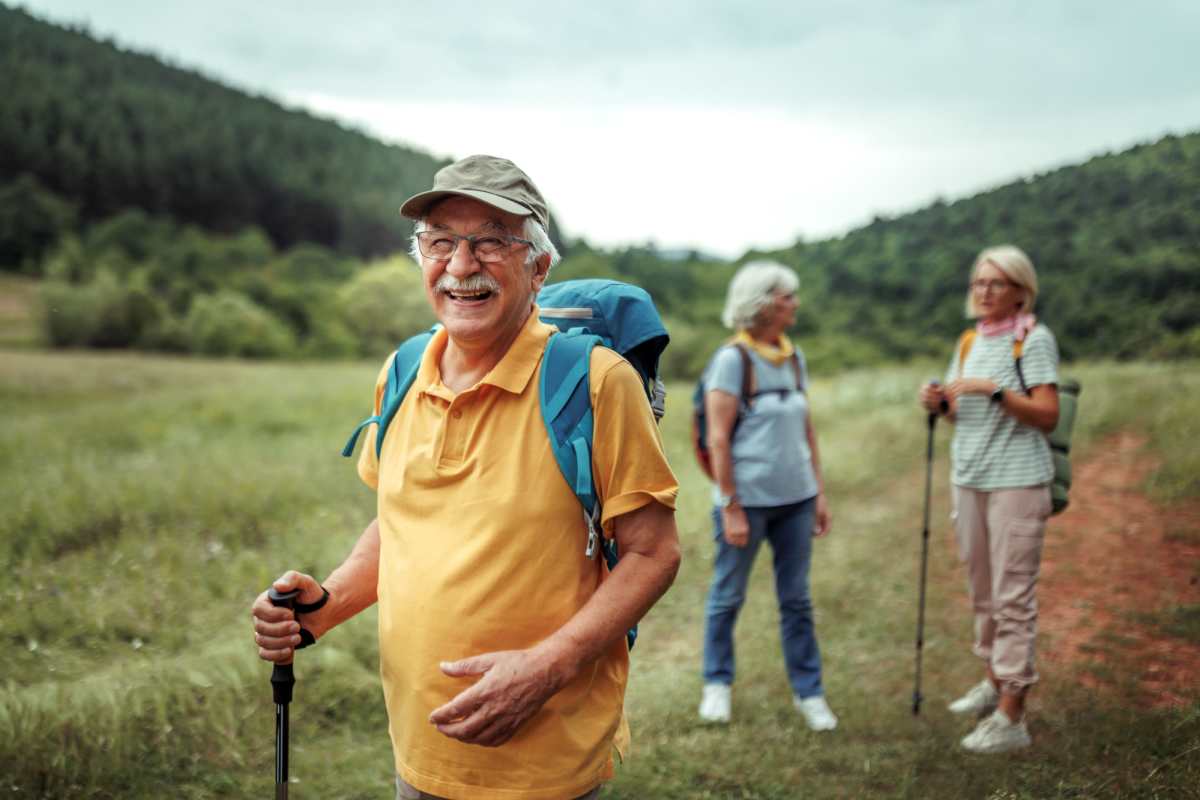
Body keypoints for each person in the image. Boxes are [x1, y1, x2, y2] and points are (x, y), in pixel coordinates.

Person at [250, 154, 681, 800]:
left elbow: (655, 553)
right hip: (419, 751)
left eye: (489, 242)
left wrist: (546, 668)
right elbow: (400, 525)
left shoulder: (594, 386)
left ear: (537, 268)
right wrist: (324, 606)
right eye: (441, 241)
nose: (460, 265)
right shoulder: (400, 371)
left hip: (544, 765)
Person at [918, 244, 1060, 754]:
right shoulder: (969, 340)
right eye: (979, 282)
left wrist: (994, 389)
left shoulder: (1034, 340)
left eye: (995, 284)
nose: (983, 291)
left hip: (1017, 481)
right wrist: (942, 404)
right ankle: (994, 680)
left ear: (1021, 292)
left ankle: (1012, 715)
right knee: (982, 590)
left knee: (1012, 596)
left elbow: (1048, 414)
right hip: (970, 478)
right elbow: (964, 411)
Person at [697, 260, 837, 731]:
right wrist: (731, 506)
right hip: (747, 503)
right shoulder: (732, 360)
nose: (795, 303)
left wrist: (817, 492)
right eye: (787, 296)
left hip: (796, 499)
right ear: (762, 302)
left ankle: (809, 693)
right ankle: (716, 686)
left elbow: (807, 428)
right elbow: (718, 438)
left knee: (796, 600)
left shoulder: (793, 357)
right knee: (728, 595)